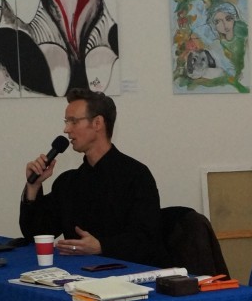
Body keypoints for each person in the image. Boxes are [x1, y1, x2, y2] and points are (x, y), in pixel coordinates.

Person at [19, 88, 165, 266]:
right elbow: (36, 234)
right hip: (74, 274)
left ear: (97, 123)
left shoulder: (136, 176)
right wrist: (33, 187)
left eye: (73, 121)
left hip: (124, 274)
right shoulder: (68, 183)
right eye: (66, 122)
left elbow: (147, 240)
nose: (66, 129)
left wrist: (101, 246)